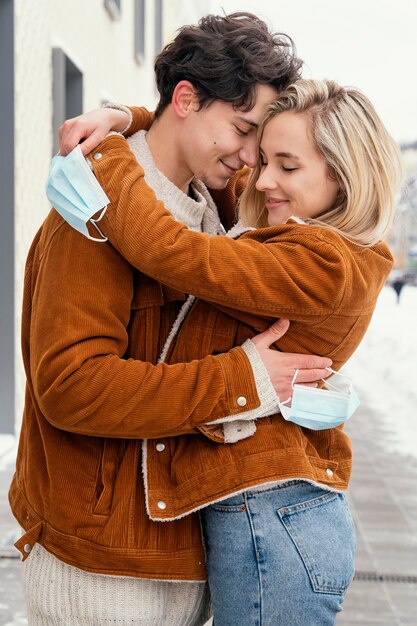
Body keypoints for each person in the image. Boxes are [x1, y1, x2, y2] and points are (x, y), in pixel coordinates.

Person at [9, 13, 333, 626]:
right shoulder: (93, 213)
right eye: (241, 131)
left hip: (179, 554)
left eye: (258, 142)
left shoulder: (219, 201)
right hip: (103, 570)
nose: (248, 159)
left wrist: (126, 114)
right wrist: (243, 378)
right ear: (186, 99)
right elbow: (71, 387)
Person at [50, 77, 402, 624]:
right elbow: (182, 129)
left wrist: (107, 156)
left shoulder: (324, 261)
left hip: (273, 514)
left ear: (345, 173)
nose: (259, 179)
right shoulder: (297, 238)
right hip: (269, 514)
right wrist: (128, 117)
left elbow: (174, 252)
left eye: (286, 166)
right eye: (261, 158)